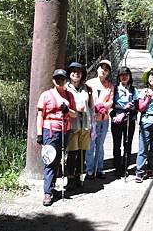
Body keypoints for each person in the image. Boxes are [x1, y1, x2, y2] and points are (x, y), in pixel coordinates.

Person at [36, 69, 77, 206]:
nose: (60, 81)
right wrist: (40, 134)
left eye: (62, 78)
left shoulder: (69, 95)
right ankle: (47, 193)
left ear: (65, 80)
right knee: (50, 160)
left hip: (65, 131)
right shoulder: (46, 95)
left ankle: (52, 187)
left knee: (58, 159)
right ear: (53, 80)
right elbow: (40, 115)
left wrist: (67, 110)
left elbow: (75, 114)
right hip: (50, 131)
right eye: (57, 78)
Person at [65, 62, 94, 190]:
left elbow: (91, 107)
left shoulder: (87, 88)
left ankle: (78, 177)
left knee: (82, 153)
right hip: (72, 125)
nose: (76, 73)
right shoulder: (65, 89)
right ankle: (70, 179)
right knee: (72, 153)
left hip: (85, 125)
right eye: (73, 71)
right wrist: (76, 108)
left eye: (79, 71)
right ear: (69, 74)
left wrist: (93, 124)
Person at [85, 59, 114, 179]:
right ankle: (89, 170)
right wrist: (94, 107)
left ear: (108, 72)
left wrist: (103, 106)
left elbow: (111, 101)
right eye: (102, 68)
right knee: (91, 144)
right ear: (97, 69)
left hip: (104, 118)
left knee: (100, 144)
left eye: (106, 69)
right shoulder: (89, 83)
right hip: (91, 118)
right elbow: (85, 99)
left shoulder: (110, 86)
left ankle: (99, 168)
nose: (103, 70)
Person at [110, 66, 138, 177]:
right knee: (116, 144)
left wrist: (131, 107)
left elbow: (137, 105)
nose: (124, 77)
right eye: (122, 75)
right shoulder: (114, 88)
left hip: (129, 119)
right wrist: (118, 112)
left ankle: (125, 166)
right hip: (117, 119)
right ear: (118, 77)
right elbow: (110, 103)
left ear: (130, 76)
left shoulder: (133, 89)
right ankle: (117, 167)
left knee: (127, 143)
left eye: (126, 74)